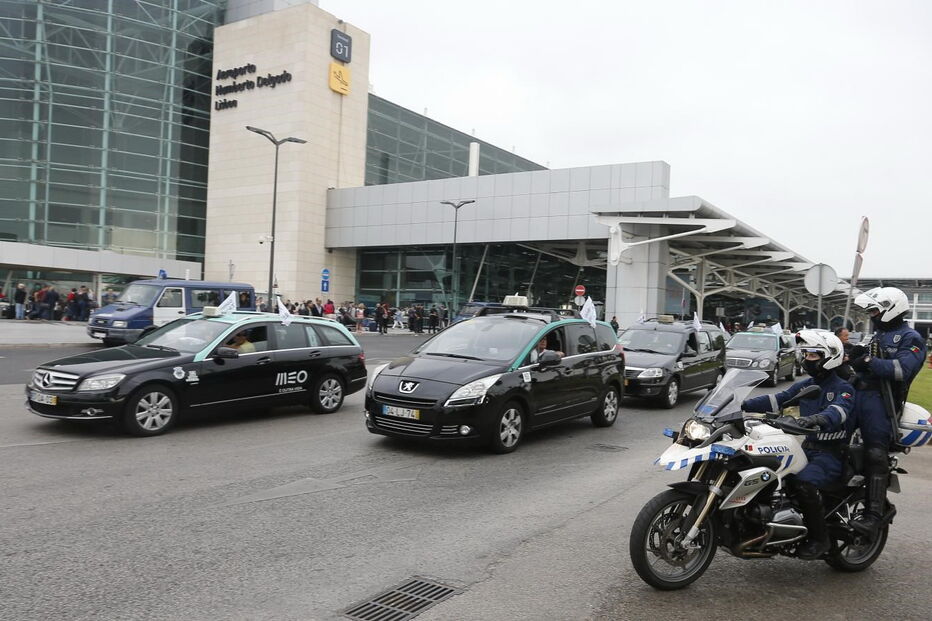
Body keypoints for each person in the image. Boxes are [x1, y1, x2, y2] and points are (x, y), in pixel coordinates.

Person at [741, 330, 854, 560]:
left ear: (829, 357)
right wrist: (740, 404)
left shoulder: (843, 388)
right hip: (808, 450)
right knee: (767, 474)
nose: (806, 359)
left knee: (803, 483)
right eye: (806, 354)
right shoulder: (808, 384)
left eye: (813, 354)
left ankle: (820, 539)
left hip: (831, 455)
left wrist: (816, 419)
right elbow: (778, 399)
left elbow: (838, 412)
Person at [848, 287, 927, 538]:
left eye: (874, 311)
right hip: (857, 397)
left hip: (882, 403)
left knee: (874, 454)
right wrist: (850, 355)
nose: (871, 316)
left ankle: (873, 515)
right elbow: (857, 364)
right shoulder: (876, 336)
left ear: (890, 308)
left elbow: (902, 370)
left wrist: (869, 362)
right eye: (869, 311)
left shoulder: (910, 338)